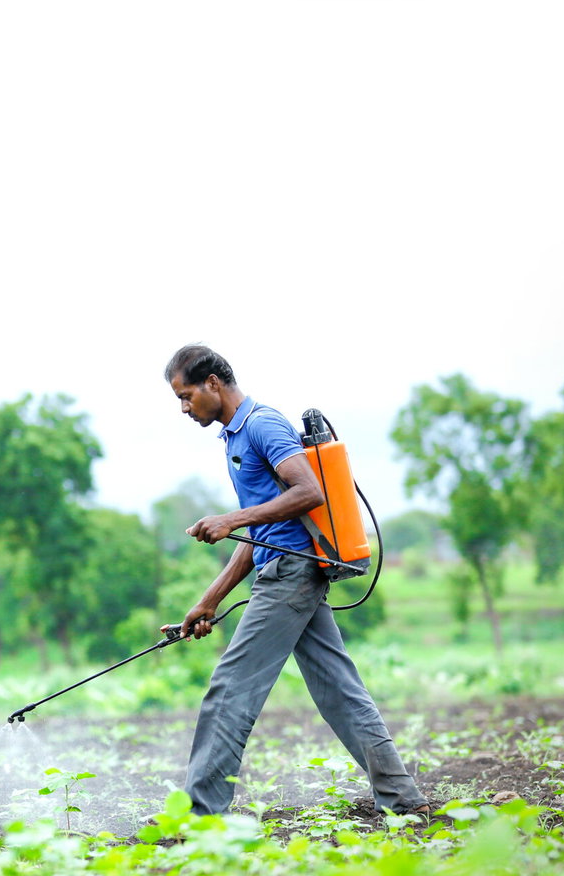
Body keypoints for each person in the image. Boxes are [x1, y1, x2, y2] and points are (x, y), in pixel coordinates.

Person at [161, 344, 432, 819]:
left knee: (229, 689)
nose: (184, 408)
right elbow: (262, 530)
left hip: (291, 575)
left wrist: (231, 518)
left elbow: (309, 492)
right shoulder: (234, 437)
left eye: (186, 396)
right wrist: (208, 601)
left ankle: (201, 816)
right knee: (340, 692)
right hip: (287, 570)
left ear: (213, 384)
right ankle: (402, 799)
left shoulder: (262, 424)